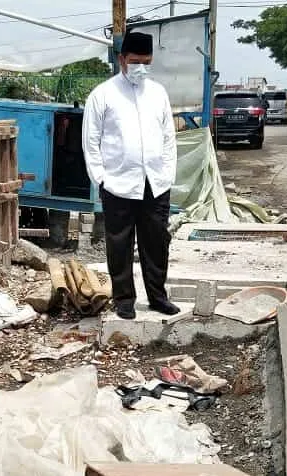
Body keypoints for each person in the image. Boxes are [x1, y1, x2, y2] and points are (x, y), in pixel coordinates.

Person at [82, 30, 179, 320]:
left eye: (146, 62)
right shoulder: (103, 95)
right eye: (135, 61)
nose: (141, 67)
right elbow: (91, 141)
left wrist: (167, 174)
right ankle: (124, 299)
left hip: (155, 183)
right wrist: (101, 178)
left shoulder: (158, 93)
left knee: (157, 242)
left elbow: (168, 137)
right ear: (122, 59)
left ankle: (158, 297)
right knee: (120, 244)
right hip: (118, 184)